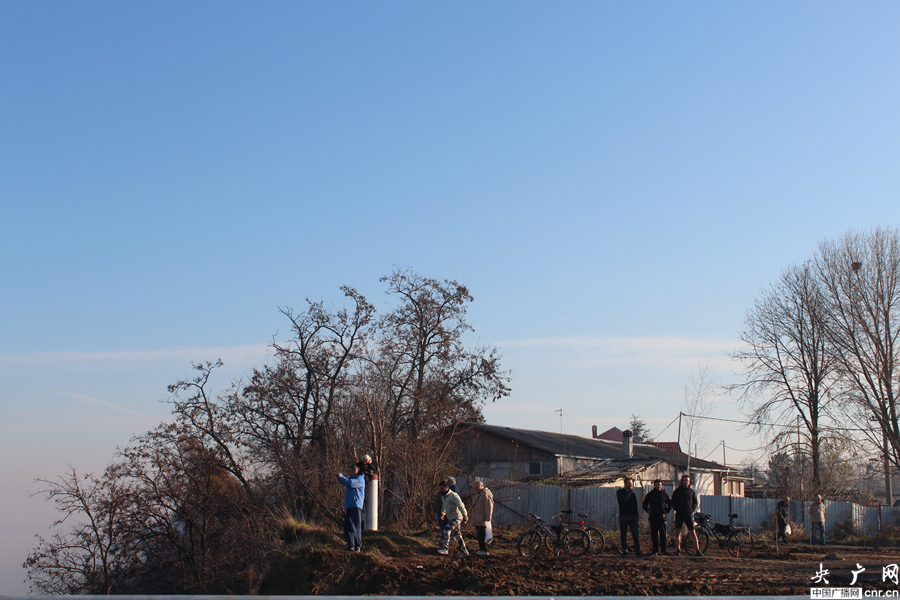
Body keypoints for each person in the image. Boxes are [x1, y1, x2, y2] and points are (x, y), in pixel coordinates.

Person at [671, 474, 701, 556]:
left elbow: (695, 502)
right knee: (678, 532)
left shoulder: (691, 492)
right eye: (684, 480)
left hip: (688, 515)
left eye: (687, 481)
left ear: (689, 482)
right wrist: (677, 508)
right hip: (679, 515)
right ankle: (678, 549)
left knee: (692, 532)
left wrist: (692, 509)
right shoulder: (677, 491)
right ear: (682, 481)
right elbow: (673, 502)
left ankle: (697, 550)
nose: (686, 482)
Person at [337, 465, 366, 551]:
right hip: (349, 505)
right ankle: (351, 545)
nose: (349, 473)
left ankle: (358, 546)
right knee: (347, 527)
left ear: (354, 471)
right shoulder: (352, 479)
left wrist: (341, 477)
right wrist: (340, 477)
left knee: (356, 526)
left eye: (350, 471)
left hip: (356, 506)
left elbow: (349, 483)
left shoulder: (360, 479)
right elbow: (346, 481)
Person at [437, 480, 469, 557]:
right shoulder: (444, 496)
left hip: (457, 517)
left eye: (442, 488)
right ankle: (464, 551)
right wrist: (443, 513)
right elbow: (444, 506)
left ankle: (445, 548)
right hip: (450, 517)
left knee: (446, 530)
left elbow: (461, 505)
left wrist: (465, 515)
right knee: (458, 534)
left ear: (447, 487)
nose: (440, 490)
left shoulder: (453, 496)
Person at [642, 479, 671, 556]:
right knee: (654, 535)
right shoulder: (650, 494)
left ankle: (664, 550)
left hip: (662, 518)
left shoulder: (664, 494)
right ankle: (655, 551)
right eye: (657, 485)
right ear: (654, 485)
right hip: (653, 518)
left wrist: (667, 510)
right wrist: (648, 510)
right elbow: (644, 503)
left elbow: (670, 504)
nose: (659, 486)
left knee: (663, 535)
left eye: (660, 485)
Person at [616, 477, 642, 556]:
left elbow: (635, 504)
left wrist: (636, 515)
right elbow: (623, 500)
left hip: (633, 516)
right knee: (624, 534)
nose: (631, 485)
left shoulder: (632, 493)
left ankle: (638, 551)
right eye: (629, 483)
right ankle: (624, 550)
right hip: (624, 516)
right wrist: (629, 491)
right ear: (625, 484)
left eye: (631, 483)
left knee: (635, 534)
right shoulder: (620, 492)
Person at [469, 480, 494, 555]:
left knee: (482, 535)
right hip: (478, 519)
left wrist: (488, 518)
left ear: (482, 486)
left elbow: (489, 506)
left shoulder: (485, 494)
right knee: (479, 535)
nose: (476, 488)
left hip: (482, 519)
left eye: (477, 487)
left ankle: (484, 550)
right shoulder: (479, 494)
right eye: (475, 487)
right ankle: (482, 549)